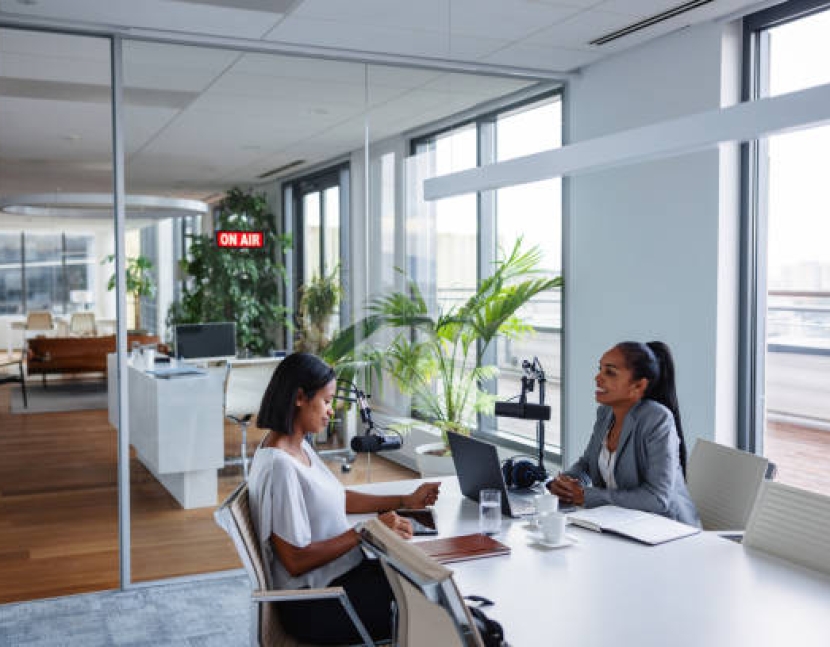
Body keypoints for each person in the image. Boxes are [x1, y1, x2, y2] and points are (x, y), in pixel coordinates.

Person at [247, 352, 441, 645]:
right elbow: (295, 561)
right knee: (432, 605)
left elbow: (337, 498)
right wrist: (367, 532)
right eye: (326, 401)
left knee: (425, 578)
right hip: (320, 603)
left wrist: (403, 499)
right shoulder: (280, 467)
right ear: (300, 397)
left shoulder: (296, 446)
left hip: (343, 578)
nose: (331, 411)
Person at [547, 341, 699, 526]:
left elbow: (657, 499)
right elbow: (587, 464)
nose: (597, 378)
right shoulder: (605, 413)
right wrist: (566, 483)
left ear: (639, 385)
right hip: (621, 525)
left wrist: (586, 495)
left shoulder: (657, 418)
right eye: (600, 369)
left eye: (609, 372)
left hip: (666, 531)